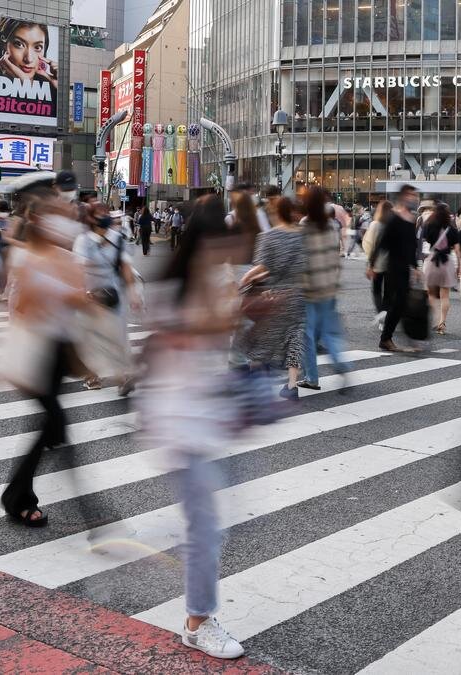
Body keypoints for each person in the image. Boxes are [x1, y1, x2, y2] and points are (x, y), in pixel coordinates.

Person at [142, 195, 249, 660]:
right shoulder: (180, 286)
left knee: (213, 522)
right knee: (206, 526)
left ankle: (196, 608)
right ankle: (198, 620)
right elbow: (181, 337)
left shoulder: (211, 278)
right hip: (178, 421)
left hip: (203, 418)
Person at [0, 180, 90, 527]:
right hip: (35, 352)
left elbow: (77, 305)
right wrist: (60, 294)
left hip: (57, 354)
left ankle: (18, 495)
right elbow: (20, 307)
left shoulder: (68, 257)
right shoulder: (28, 259)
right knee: (54, 425)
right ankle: (19, 498)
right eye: (57, 213)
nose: (67, 218)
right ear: (39, 220)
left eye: (68, 212)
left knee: (52, 429)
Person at [240, 196, 306, 399]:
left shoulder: (268, 237)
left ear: (275, 213)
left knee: (259, 339)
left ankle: (256, 386)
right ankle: (292, 385)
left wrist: (244, 280)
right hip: (299, 294)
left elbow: (261, 267)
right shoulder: (303, 235)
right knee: (295, 338)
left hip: (275, 296)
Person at [73, 213, 142, 392]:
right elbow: (79, 268)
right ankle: (92, 376)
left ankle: (122, 377)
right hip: (90, 294)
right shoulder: (83, 240)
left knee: (117, 335)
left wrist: (133, 293)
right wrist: (82, 292)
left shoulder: (118, 239)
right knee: (89, 337)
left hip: (113, 294)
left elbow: (126, 267)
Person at [298, 186, 349, 390]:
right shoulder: (332, 225)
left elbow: (301, 260)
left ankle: (311, 377)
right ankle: (341, 364)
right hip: (329, 285)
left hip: (310, 288)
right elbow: (335, 254)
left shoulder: (305, 225)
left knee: (307, 334)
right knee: (328, 332)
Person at [370, 185, 423, 353]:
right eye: (411, 195)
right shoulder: (394, 218)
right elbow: (381, 244)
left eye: (415, 196)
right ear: (403, 197)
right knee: (398, 304)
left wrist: (415, 267)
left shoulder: (411, 219)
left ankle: (399, 338)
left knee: (402, 305)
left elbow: (411, 246)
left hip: (405, 269)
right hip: (393, 268)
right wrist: (371, 265)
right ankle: (386, 338)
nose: (414, 198)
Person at [0, 18, 57, 102]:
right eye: (19, 44)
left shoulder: (52, 94)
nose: (29, 59)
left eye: (37, 47)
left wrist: (59, 88)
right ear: (3, 44)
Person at [422, 203, 459, 334]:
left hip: (432, 261)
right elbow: (457, 249)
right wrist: (460, 266)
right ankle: (442, 322)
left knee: (431, 294)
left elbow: (424, 241)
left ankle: (436, 318)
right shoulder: (452, 228)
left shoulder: (428, 225)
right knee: (445, 295)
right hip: (447, 262)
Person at [363, 200, 391, 328]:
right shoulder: (393, 225)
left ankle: (381, 315)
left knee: (376, 290)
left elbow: (370, 245)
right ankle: (386, 313)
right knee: (388, 292)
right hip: (391, 264)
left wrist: (370, 264)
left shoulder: (375, 225)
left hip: (377, 263)